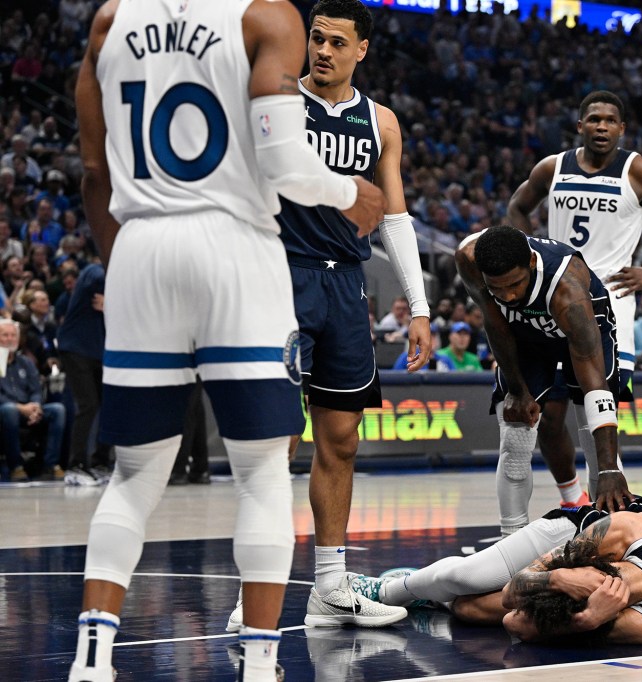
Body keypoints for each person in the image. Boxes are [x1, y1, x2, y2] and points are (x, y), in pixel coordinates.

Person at [69, 0, 386, 679]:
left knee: (133, 474)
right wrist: (347, 193)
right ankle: (261, 665)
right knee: (263, 472)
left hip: (143, 246)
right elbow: (280, 158)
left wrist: (121, 259)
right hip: (237, 249)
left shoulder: (108, 21)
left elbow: (93, 170)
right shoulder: (266, 17)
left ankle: (92, 660)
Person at [226, 0, 429, 634]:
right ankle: (251, 594)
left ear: (361, 50)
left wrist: (418, 306)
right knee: (276, 443)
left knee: (340, 440)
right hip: (280, 276)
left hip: (345, 289)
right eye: (317, 39)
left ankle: (331, 587)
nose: (323, 51)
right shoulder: (277, 101)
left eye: (338, 43)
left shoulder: (382, 123)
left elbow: (393, 217)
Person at [506, 90, 642, 518]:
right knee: (546, 413)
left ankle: (608, 515)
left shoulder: (641, 172)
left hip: (608, 304)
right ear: (580, 126)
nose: (602, 126)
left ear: (622, 128)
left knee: (595, 416)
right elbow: (517, 207)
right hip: (552, 297)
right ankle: (572, 499)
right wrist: (530, 256)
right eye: (594, 119)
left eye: (610, 120)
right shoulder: (552, 167)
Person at [456, 225, 631, 536]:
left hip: (580, 327)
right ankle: (510, 540)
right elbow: (496, 324)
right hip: (525, 336)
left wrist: (609, 469)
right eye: (497, 288)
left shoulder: (568, 291)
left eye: (514, 284)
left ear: (532, 265)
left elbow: (596, 387)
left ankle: (600, 538)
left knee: (595, 443)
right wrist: (518, 390)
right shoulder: (468, 259)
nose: (508, 295)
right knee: (515, 439)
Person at [351, 496, 642, 644]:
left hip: (584, 579)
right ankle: (382, 590)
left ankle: (433, 599)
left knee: (467, 609)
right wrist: (557, 574)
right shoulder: (622, 534)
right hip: (575, 532)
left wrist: (585, 621)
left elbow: (514, 619)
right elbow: (514, 591)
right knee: (465, 577)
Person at [57, 262, 112, 485]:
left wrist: (113, 303)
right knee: (88, 405)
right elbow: (97, 279)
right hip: (77, 348)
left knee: (109, 405)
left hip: (98, 351)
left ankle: (100, 462)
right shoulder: (94, 271)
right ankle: (76, 465)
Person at [0, 319, 66, 481]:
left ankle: (50, 465)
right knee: (9, 410)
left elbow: (36, 389)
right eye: (5, 335)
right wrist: (19, 407)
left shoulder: (26, 362)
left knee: (58, 409)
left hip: (28, 409)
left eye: (13, 335)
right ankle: (16, 466)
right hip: (6, 410)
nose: (10, 339)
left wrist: (35, 406)